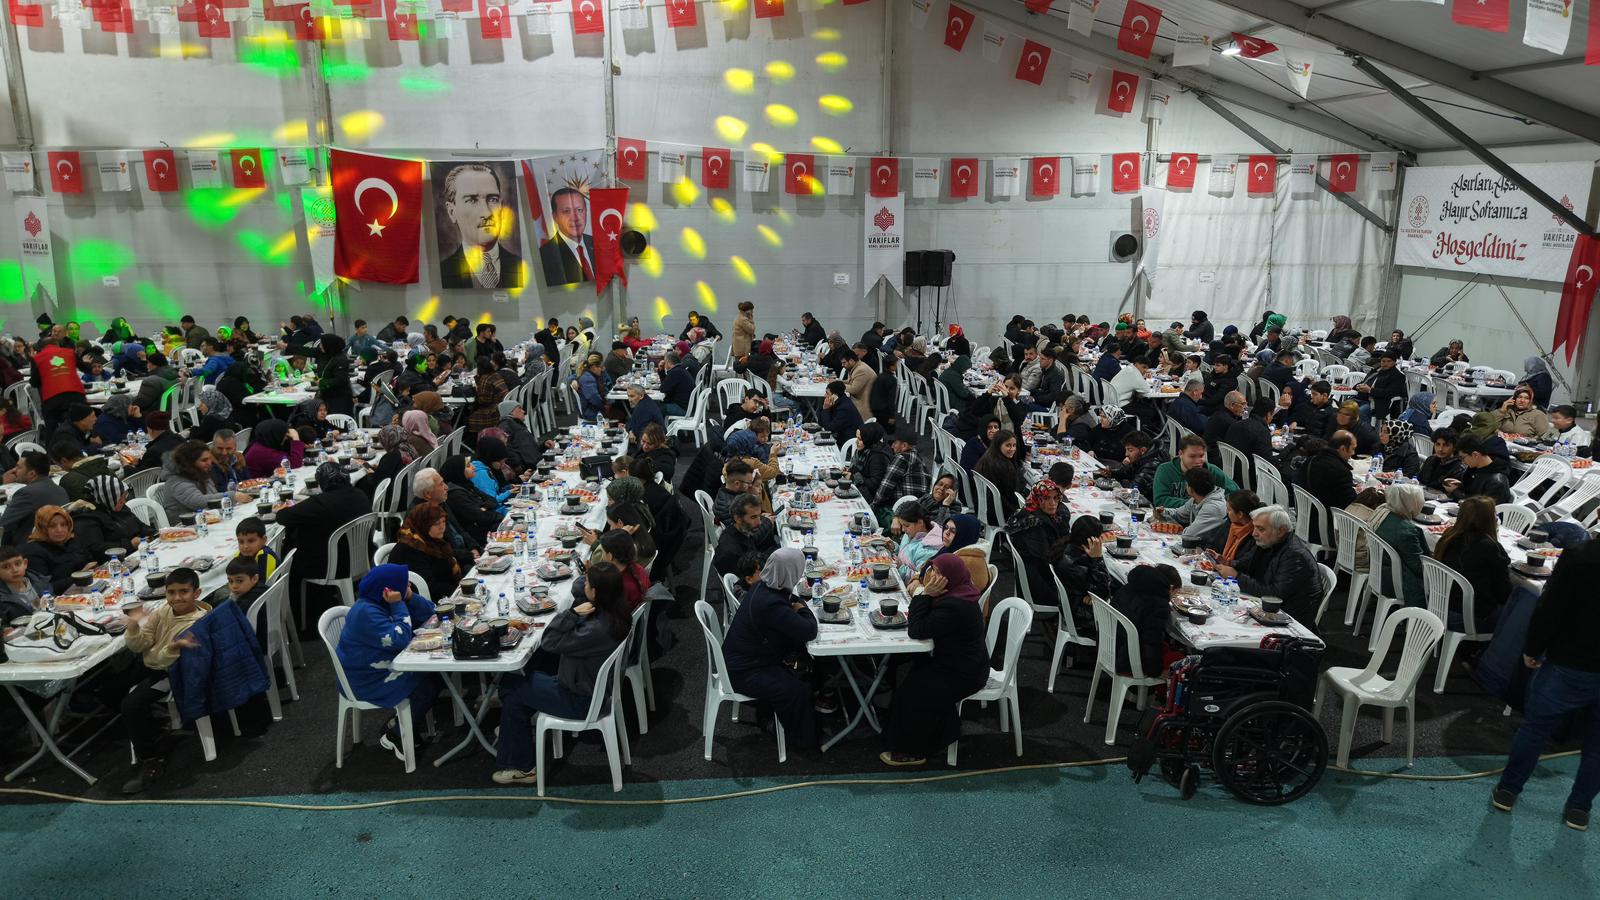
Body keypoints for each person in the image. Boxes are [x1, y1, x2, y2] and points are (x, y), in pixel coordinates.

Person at [1490, 538, 1600, 832]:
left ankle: (1508, 791)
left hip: (1569, 662)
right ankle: (1579, 809)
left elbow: (1551, 606)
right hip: (1578, 664)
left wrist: (1533, 647)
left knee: (1535, 729)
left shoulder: (1580, 555)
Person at [490, 560, 630, 785]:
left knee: (512, 687)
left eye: (588, 583)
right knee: (530, 669)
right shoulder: (616, 612)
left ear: (596, 592)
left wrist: (572, 613)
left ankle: (522, 766)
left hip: (581, 699)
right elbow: (578, 587)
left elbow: (549, 641)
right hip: (591, 684)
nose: (584, 585)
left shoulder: (595, 630)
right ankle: (513, 731)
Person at [105, 567, 210, 794]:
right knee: (107, 688)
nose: (177, 598)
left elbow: (165, 661)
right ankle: (151, 726)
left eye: (184, 592)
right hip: (153, 664)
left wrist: (170, 648)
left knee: (130, 705)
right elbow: (139, 645)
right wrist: (133, 625)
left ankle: (150, 759)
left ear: (197, 593)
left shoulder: (197, 623)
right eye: (171, 592)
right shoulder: (164, 610)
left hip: (172, 673)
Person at [880, 554, 989, 766]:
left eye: (939, 573)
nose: (933, 577)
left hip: (964, 672)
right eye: (933, 571)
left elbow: (917, 629)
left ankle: (914, 750)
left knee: (911, 691)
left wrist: (925, 594)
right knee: (906, 670)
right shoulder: (959, 592)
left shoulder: (954, 606)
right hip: (955, 660)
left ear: (951, 576)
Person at [335, 564, 441, 765]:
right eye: (404, 584)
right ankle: (396, 734)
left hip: (382, 665)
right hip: (366, 678)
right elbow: (400, 639)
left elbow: (432, 613)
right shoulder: (366, 612)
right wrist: (399, 604)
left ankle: (398, 723)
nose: (408, 586)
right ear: (388, 591)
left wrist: (410, 597)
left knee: (435, 676)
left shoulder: (382, 603)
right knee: (427, 687)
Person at [720, 547, 821, 751]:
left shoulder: (764, 586)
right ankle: (802, 743)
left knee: (803, 672)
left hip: (744, 658)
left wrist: (797, 604)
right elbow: (809, 630)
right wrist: (803, 609)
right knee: (798, 690)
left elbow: (791, 600)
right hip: (744, 672)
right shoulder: (771, 604)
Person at [1215, 505, 1325, 625]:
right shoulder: (1270, 541)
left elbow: (1274, 595)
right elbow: (1248, 563)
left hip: (1288, 619)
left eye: (1260, 529)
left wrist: (1237, 577)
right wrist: (1229, 563)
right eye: (1254, 527)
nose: (1254, 533)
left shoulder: (1295, 555)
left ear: (1281, 531)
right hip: (1267, 610)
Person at [277, 462, 367, 591]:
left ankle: (294, 601)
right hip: (361, 557)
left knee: (289, 550)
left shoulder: (320, 503)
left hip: (332, 566)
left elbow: (282, 517)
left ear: (322, 482)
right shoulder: (360, 494)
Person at [1432, 496, 1510, 635]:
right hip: (1465, 619)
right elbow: (1504, 594)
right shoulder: (1490, 547)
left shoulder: (1449, 535)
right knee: (1521, 606)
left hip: (1438, 606)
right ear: (1489, 519)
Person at [1109, 564, 1184, 677]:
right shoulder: (1158, 604)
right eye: (1174, 594)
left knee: (1164, 645)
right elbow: (1151, 641)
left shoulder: (1128, 587)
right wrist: (1156, 672)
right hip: (1128, 662)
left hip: (1110, 647)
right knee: (1181, 660)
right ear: (1171, 587)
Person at [389, 503, 467, 601]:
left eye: (443, 521)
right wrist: (463, 589)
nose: (442, 527)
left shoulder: (429, 539)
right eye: (436, 523)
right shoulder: (410, 549)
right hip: (425, 601)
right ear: (422, 524)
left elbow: (449, 557)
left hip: (446, 591)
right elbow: (430, 588)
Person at [1367, 483, 1427, 608]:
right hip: (1394, 581)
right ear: (1412, 504)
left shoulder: (1381, 511)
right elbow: (1419, 567)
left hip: (1376, 571)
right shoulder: (1407, 531)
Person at [160, 442, 248, 524]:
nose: (209, 463)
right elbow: (199, 502)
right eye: (204, 460)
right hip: (184, 526)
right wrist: (232, 496)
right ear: (190, 463)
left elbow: (212, 495)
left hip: (204, 520)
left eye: (209, 458)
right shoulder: (177, 482)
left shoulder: (201, 472)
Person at [68, 474, 154, 557]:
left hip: (137, 552)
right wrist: (130, 544)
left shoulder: (117, 507)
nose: (123, 501)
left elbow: (139, 525)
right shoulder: (86, 518)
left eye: (125, 497)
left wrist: (153, 534)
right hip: (115, 560)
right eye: (120, 498)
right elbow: (97, 549)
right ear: (106, 497)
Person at [1, 451, 68, 547]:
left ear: (32, 473)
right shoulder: (61, 490)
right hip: (56, 544)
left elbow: (3, 523)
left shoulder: (26, 493)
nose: (14, 470)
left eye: (19, 467)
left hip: (30, 546)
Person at [1152, 435, 1237, 510]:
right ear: (1181, 454)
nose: (1198, 461)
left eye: (1201, 456)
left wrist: (1215, 505)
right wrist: (1196, 504)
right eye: (1192, 456)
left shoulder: (1211, 471)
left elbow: (1235, 494)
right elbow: (1160, 501)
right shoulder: (1165, 470)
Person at [1153, 467, 1229, 551]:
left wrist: (1179, 528)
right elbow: (1179, 514)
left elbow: (1189, 536)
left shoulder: (1213, 507)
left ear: (1190, 489)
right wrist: (1164, 511)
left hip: (1211, 552)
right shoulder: (1197, 498)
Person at [22, 505, 93, 592]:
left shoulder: (71, 539)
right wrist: (78, 577)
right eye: (52, 526)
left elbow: (89, 561)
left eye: (63, 525)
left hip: (84, 589)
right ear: (42, 527)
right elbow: (44, 588)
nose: (59, 530)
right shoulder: (33, 551)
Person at [437, 455, 502, 547]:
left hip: (487, 529)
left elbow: (492, 500)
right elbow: (481, 517)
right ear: (458, 471)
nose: (473, 467)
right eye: (468, 465)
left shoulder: (468, 485)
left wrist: (483, 507)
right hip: (479, 538)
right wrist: (484, 508)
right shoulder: (456, 495)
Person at [538, 186, 595, 286]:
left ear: (586, 212)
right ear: (555, 217)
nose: (575, 218)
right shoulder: (544, 257)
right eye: (566, 211)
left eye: (579, 210)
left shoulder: (599, 244)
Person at [871, 426, 931, 518]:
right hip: (917, 508)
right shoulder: (917, 457)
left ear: (904, 446)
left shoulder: (902, 458)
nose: (892, 446)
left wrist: (873, 506)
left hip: (904, 510)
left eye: (895, 443)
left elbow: (886, 486)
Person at [31, 339, 88, 436]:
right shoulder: (70, 352)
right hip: (76, 396)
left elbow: (35, 383)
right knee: (81, 426)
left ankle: (52, 443)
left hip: (52, 400)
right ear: (57, 344)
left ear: (40, 348)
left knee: (51, 429)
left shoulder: (37, 358)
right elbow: (85, 368)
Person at [713, 493, 778, 576]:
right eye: (753, 517)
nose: (759, 522)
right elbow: (750, 579)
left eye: (759, 516)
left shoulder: (739, 530)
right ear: (738, 519)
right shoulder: (733, 552)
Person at [1444, 435, 1514, 504]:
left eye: (1463, 458)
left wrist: (1455, 492)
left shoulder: (1497, 482)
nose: (1462, 462)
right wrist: (1461, 486)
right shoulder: (1476, 469)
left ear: (1475, 455)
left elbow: (1480, 507)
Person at [974, 429, 1025, 520]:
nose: (1012, 449)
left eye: (1014, 445)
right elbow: (1013, 495)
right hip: (999, 513)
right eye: (1008, 445)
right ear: (998, 445)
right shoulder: (1003, 466)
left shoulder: (988, 458)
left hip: (986, 509)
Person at [1103, 431, 1167, 503]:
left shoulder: (1153, 464)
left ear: (1142, 450)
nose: (1126, 454)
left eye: (1130, 450)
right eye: (1126, 450)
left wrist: (1119, 482)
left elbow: (1134, 490)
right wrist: (1112, 473)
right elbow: (1127, 472)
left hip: (1150, 504)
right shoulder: (1143, 457)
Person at [1223, 396, 1279, 471]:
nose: (1272, 418)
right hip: (1249, 473)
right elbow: (1266, 463)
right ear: (1268, 414)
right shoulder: (1263, 432)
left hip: (1229, 469)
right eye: (1272, 415)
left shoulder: (1235, 425)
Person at [891, 501, 943, 581]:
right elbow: (906, 553)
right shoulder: (912, 533)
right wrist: (894, 547)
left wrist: (901, 568)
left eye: (906, 525)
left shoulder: (930, 548)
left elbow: (922, 579)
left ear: (920, 522)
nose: (903, 529)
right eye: (902, 525)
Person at [50, 438, 113, 504]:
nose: (61, 468)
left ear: (64, 461)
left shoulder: (67, 481)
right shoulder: (107, 468)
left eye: (58, 464)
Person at [0, 546, 50, 623]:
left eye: (17, 564)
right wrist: (4, 628)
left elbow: (54, 602)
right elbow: (3, 624)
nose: (15, 570)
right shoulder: (2, 597)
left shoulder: (39, 581)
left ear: (25, 563)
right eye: (6, 567)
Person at [1216, 490, 1262, 567]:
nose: (1226, 512)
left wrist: (1229, 563)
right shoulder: (1231, 524)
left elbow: (1247, 563)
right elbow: (1214, 542)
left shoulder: (1256, 534)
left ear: (1240, 514)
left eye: (1229, 509)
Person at [938, 335, 977, 414]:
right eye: (965, 369)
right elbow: (963, 394)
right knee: (976, 404)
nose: (965, 372)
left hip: (943, 401)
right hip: (951, 404)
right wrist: (973, 395)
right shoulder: (954, 376)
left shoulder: (950, 371)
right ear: (961, 367)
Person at [235, 517, 278, 581]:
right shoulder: (239, 554)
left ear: (264, 540)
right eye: (241, 542)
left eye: (251, 541)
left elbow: (263, 584)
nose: (245, 546)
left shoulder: (265, 556)